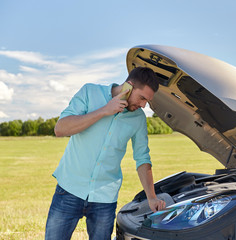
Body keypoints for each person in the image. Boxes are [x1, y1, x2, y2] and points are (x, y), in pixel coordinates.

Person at [45, 67, 166, 240]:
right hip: (69, 189)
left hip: (105, 198)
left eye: (147, 101)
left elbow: (142, 158)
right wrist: (104, 110)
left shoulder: (138, 118)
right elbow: (60, 129)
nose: (143, 105)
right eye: (142, 98)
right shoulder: (90, 92)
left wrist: (152, 197)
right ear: (128, 87)